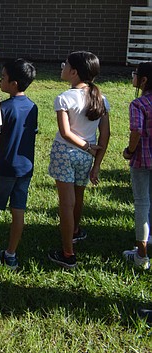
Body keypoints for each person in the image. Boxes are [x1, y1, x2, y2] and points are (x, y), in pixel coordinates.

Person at [46, 51, 110, 269]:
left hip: (65, 154)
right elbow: (106, 134)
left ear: (73, 72)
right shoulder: (101, 99)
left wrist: (86, 146)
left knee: (66, 203)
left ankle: (67, 253)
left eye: (65, 65)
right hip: (86, 158)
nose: (62, 67)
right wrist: (96, 161)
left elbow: (65, 133)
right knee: (78, 196)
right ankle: (74, 232)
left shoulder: (64, 98)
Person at [0, 59, 38, 271]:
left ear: (14, 83)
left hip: (3, 167)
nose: (0, 80)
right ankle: (11, 254)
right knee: (18, 211)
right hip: (25, 168)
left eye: (3, 78)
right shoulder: (33, 107)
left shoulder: (2, 108)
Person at [122, 62, 152, 270]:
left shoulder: (139, 104)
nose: (133, 77)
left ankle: (141, 255)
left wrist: (130, 151)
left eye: (135, 74)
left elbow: (136, 131)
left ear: (143, 81)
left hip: (142, 160)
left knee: (142, 203)